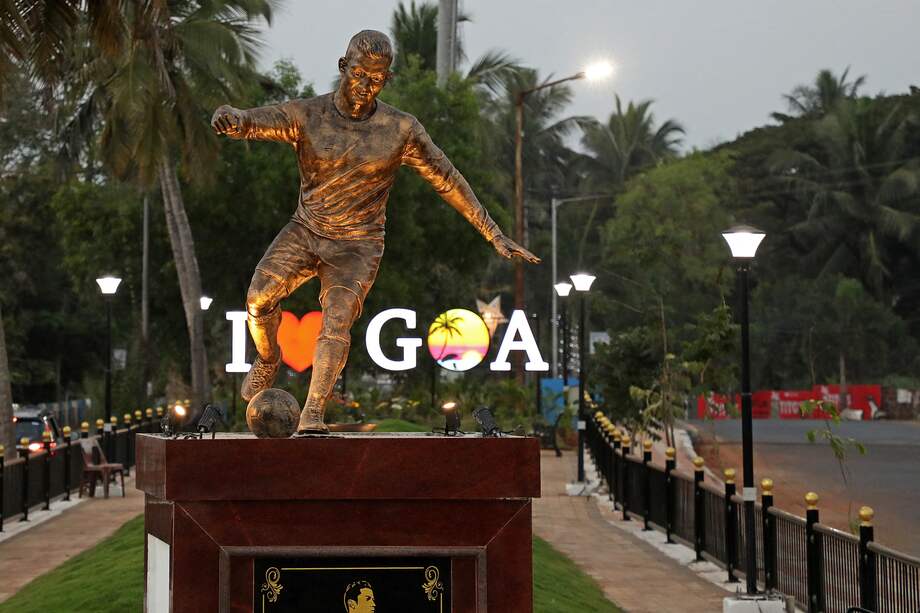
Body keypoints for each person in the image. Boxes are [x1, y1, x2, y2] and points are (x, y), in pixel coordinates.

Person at [212, 29, 538, 434]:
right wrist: (232, 117)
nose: (366, 85)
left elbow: (447, 179)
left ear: (388, 79)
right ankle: (267, 358)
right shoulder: (307, 115)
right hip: (306, 229)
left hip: (358, 245)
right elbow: (254, 121)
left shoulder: (400, 129)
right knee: (257, 299)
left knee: (337, 321)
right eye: (359, 74)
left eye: (377, 78)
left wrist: (492, 232)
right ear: (342, 66)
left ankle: (313, 411)